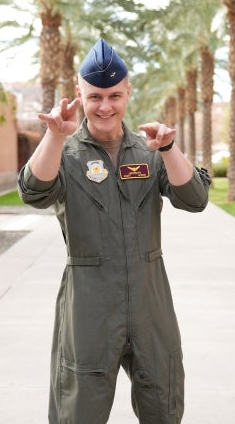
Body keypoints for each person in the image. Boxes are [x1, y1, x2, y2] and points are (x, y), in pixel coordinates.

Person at [18, 38, 211, 424]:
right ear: (80, 95)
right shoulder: (65, 153)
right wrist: (55, 136)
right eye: (95, 97)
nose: (105, 106)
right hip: (89, 305)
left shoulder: (150, 151)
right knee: (80, 409)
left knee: (163, 402)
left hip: (149, 301)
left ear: (128, 92)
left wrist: (169, 149)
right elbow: (33, 192)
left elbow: (195, 198)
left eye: (114, 95)